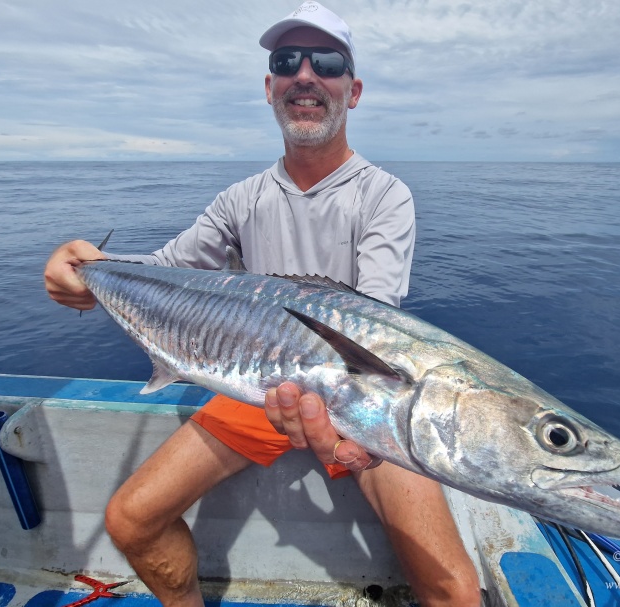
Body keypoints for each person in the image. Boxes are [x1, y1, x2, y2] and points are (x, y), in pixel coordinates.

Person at [44, 3, 481, 606]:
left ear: (352, 92)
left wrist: (344, 417)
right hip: (259, 389)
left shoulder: (384, 195)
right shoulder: (240, 199)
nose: (305, 75)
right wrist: (85, 270)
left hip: (363, 401)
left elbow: (375, 324)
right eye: (286, 62)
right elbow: (166, 272)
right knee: (130, 520)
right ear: (270, 88)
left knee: (454, 591)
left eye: (326, 63)